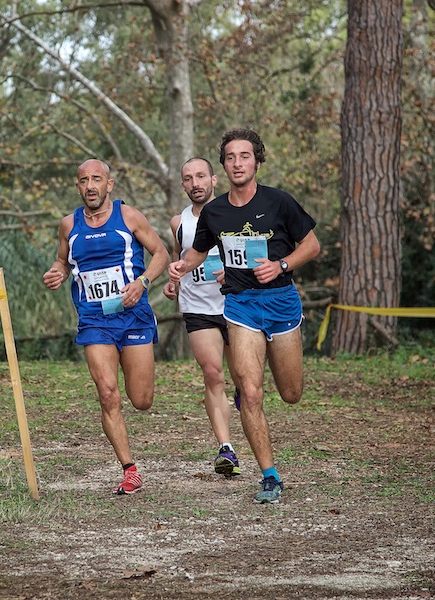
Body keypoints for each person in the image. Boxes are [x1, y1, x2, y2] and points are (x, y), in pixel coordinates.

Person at [168, 129, 320, 504]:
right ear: (224, 164)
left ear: (257, 161)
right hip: (240, 306)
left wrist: (281, 264)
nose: (238, 163)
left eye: (245, 156)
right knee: (250, 393)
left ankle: (272, 395)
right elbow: (198, 252)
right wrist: (180, 268)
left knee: (290, 393)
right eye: (231, 157)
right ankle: (269, 476)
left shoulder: (279, 202)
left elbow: (312, 244)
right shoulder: (216, 211)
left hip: (281, 302)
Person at [43, 159, 170, 495]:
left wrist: (142, 282)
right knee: (107, 394)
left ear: (109, 185)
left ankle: (133, 438)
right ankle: (130, 470)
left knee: (141, 400)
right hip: (94, 318)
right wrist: (58, 271)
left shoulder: (128, 217)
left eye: (96, 179)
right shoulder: (68, 224)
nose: (90, 186)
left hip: (133, 315)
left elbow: (161, 254)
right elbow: (62, 260)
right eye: (84, 180)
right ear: (77, 187)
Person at [163, 157, 241, 477]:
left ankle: (241, 393)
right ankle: (226, 449)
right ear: (183, 185)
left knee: (244, 379)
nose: (194, 183)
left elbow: (251, 254)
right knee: (212, 375)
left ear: (214, 180)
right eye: (187, 178)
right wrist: (173, 281)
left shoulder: (233, 213)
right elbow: (179, 257)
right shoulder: (177, 222)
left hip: (235, 305)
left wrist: (233, 271)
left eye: (200, 177)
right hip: (198, 309)